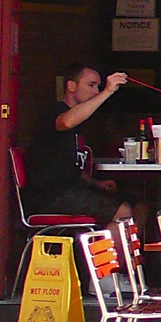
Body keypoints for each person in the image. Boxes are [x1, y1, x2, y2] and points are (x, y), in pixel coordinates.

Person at [25, 63, 138, 237]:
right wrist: (106, 92)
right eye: (91, 85)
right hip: (50, 196)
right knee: (122, 212)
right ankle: (103, 263)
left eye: (98, 86)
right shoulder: (54, 112)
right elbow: (66, 122)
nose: (96, 91)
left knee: (136, 205)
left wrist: (95, 183)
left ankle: (99, 257)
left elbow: (72, 166)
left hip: (70, 190)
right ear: (71, 86)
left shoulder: (81, 121)